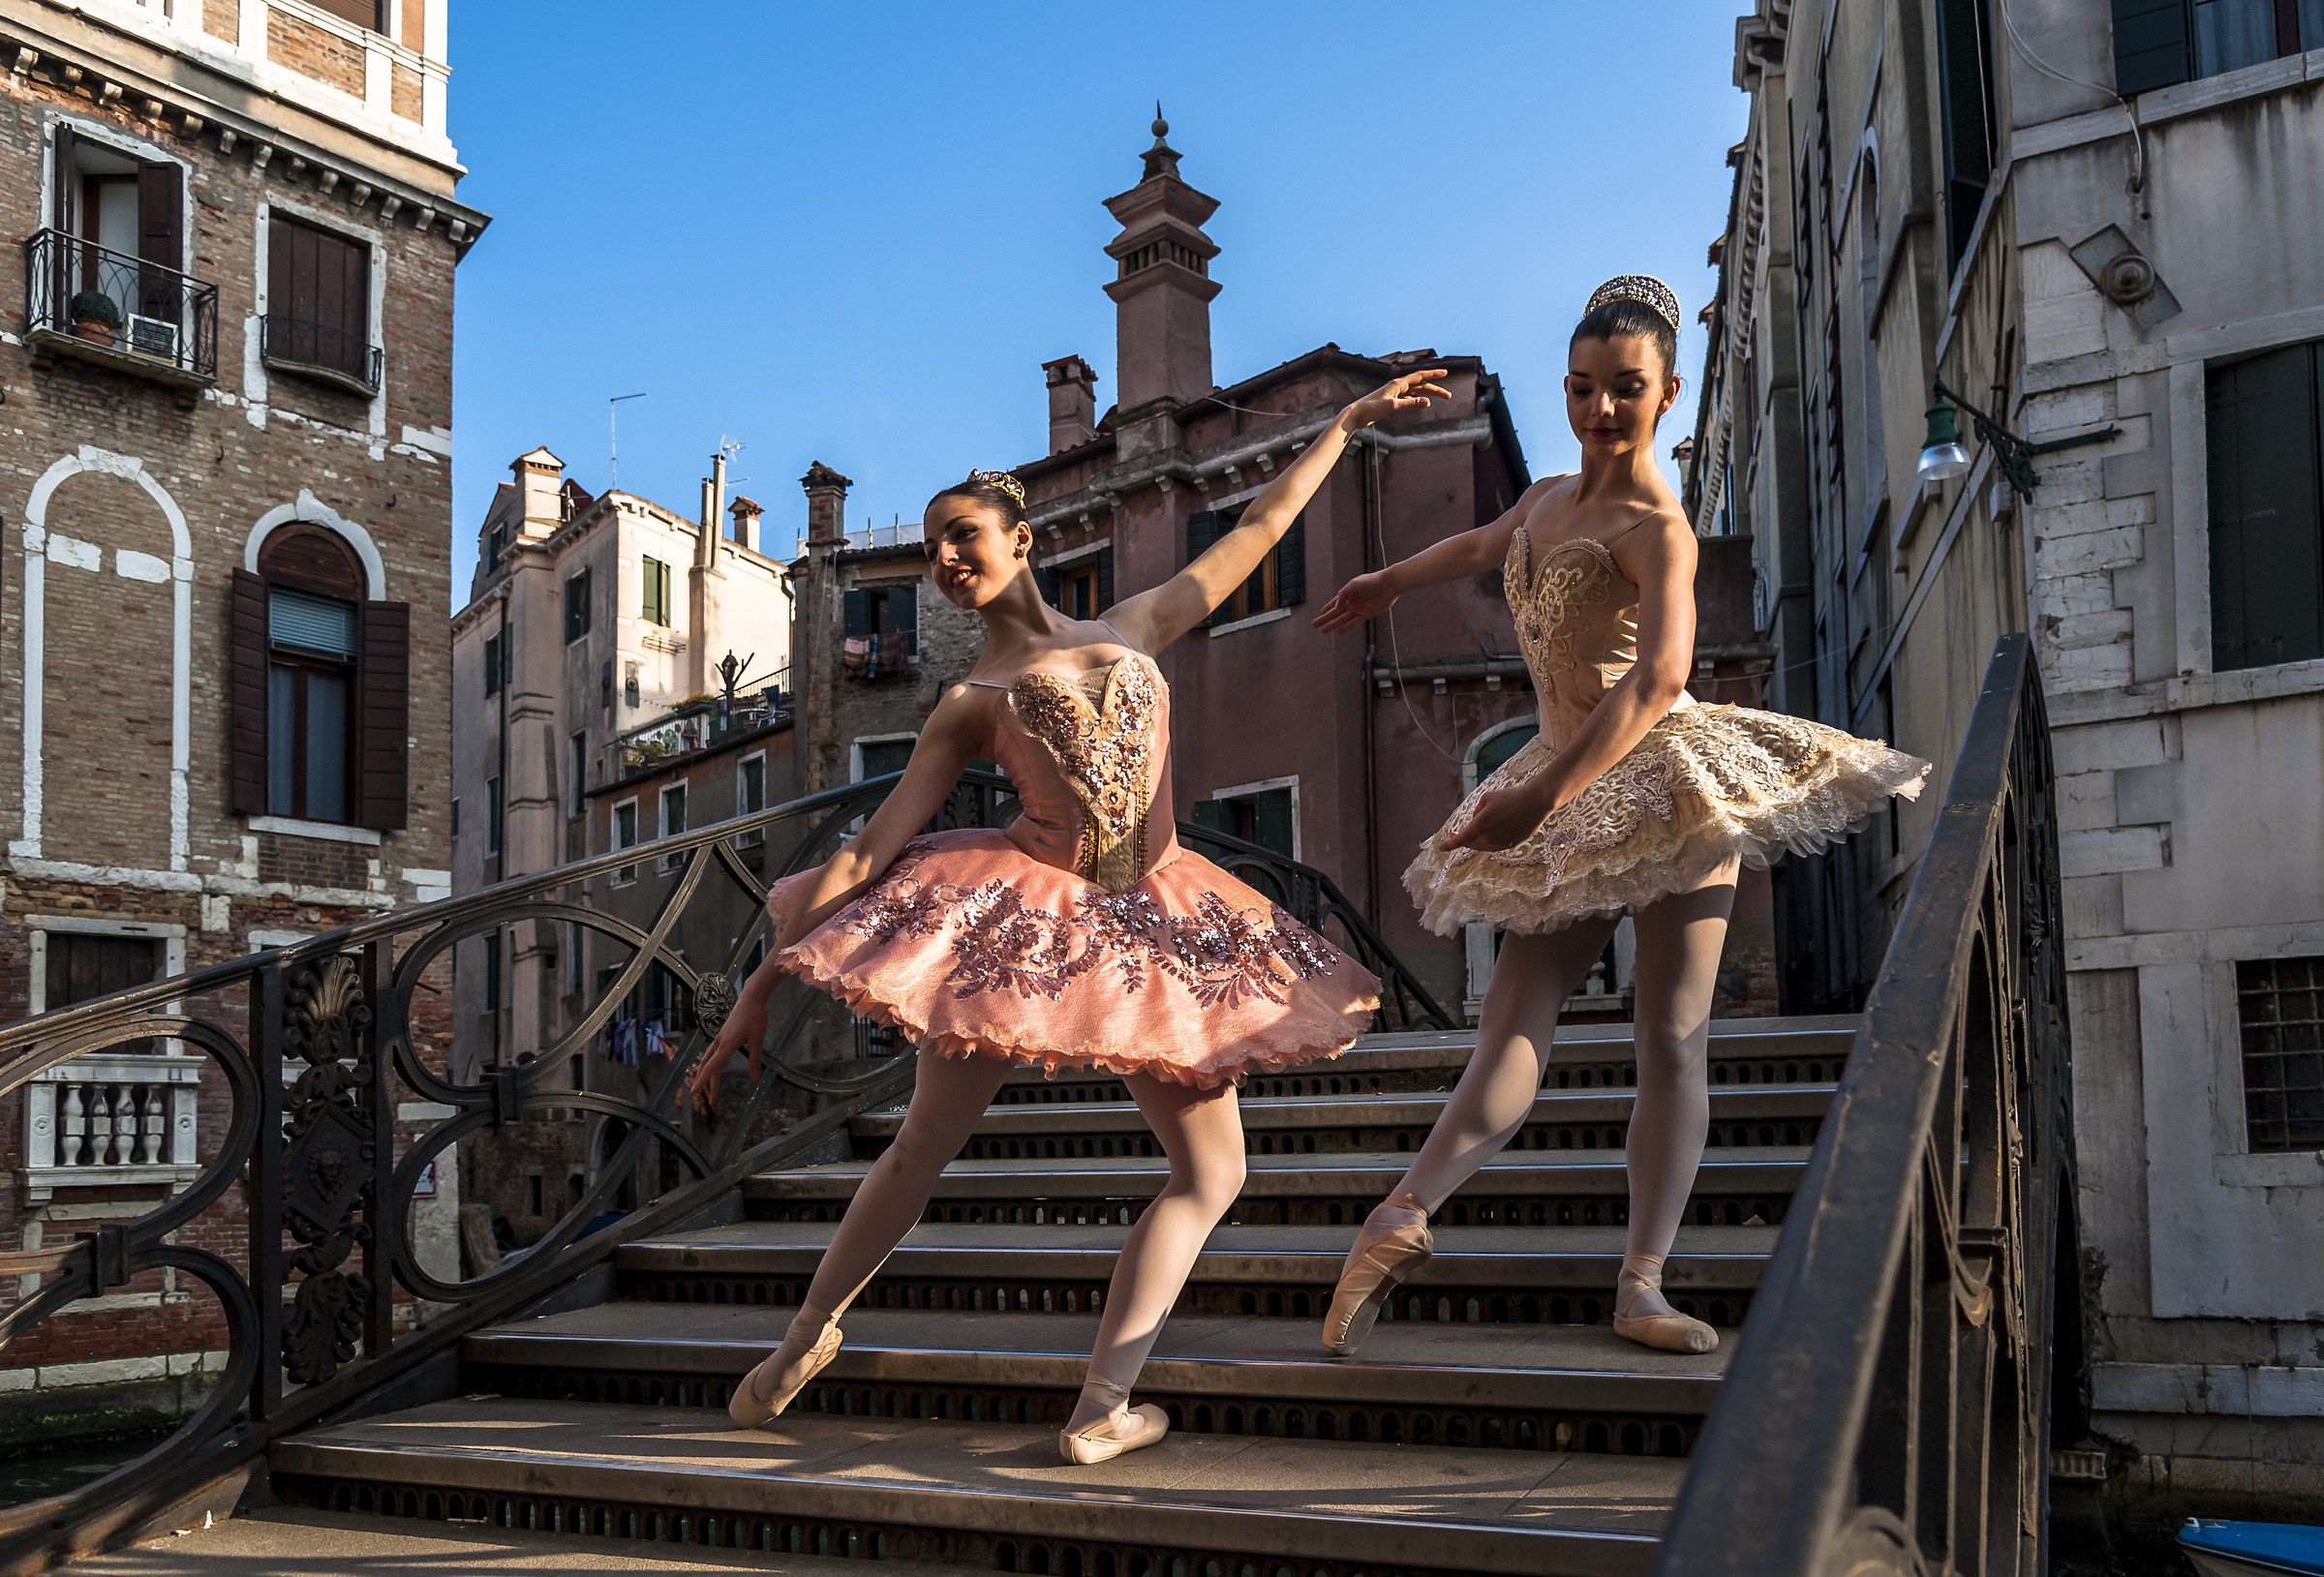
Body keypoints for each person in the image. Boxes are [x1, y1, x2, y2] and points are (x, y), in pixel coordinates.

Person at [688, 369, 1451, 1463]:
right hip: (1027, 930)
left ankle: (1101, 1409)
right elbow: (867, 850)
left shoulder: (1136, 624)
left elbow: (1255, 531)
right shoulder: (969, 704)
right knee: (922, 1146)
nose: (948, 558)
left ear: (1023, 540)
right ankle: (802, 1342)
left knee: (1213, 1173)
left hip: (1162, 927)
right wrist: (755, 991)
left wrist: (1340, 427)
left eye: (966, 535)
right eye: (937, 545)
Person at [1309, 278, 1929, 1357]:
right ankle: (1407, 1218)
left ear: (1670, 392)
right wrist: (1385, 581)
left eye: (1627, 391)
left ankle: (1619, 1274)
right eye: (1587, 389)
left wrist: (1536, 797)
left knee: (1670, 1037)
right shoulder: (1544, 501)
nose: (1603, 409)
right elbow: (1479, 545)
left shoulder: (1659, 525)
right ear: (1566, 388)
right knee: (1528, 1033)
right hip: (1573, 780)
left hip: (1656, 778)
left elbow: (1659, 681)